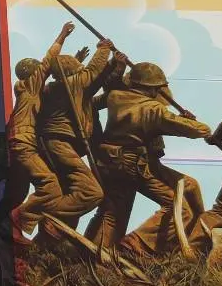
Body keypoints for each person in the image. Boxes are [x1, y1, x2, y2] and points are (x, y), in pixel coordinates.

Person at [83, 61, 210, 255]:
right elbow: (202, 130)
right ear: (152, 88)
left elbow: (89, 104)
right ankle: (135, 244)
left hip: (108, 161)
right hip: (132, 165)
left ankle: (92, 255)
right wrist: (187, 120)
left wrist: (96, 135)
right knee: (178, 208)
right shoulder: (154, 109)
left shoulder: (115, 96)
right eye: (157, 88)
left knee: (112, 213)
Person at [28, 37, 115, 236]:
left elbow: (92, 83)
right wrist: (103, 49)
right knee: (91, 192)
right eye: (76, 67)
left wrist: (113, 65)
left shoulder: (55, 88)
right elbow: (92, 72)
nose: (80, 70)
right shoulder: (69, 85)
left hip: (55, 143)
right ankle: (39, 214)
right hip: (59, 143)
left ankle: (53, 233)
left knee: (71, 191)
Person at [4, 21, 75, 234]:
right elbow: (49, 59)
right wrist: (62, 35)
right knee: (51, 186)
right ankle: (18, 220)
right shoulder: (31, 86)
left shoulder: (27, 90)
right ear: (33, 74)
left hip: (19, 140)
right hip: (24, 141)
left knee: (20, 191)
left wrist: (76, 61)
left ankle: (14, 231)